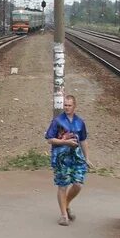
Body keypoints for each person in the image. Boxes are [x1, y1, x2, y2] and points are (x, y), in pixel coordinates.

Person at [45, 95, 93, 226]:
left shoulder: (80, 122)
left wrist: (87, 158)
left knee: (78, 184)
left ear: (74, 106)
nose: (67, 107)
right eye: (65, 105)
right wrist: (64, 142)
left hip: (76, 157)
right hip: (61, 158)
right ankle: (64, 215)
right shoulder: (57, 121)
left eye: (69, 105)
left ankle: (66, 204)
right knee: (63, 185)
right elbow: (49, 139)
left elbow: (83, 140)